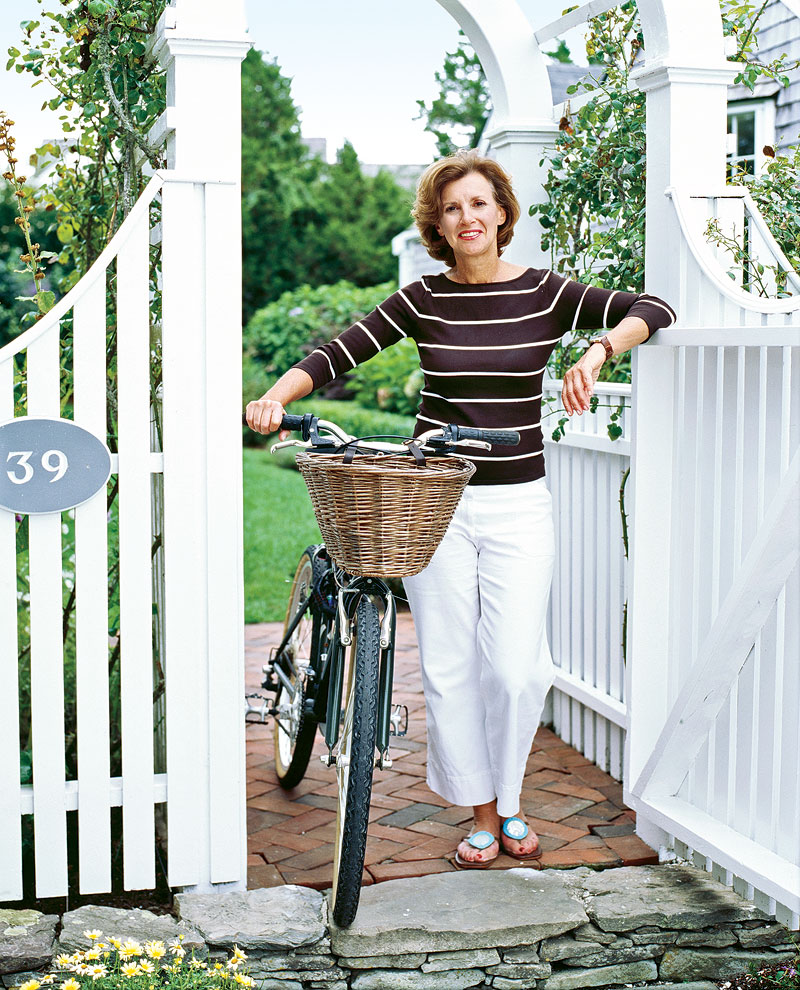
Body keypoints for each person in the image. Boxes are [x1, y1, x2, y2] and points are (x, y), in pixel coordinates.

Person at [246, 149, 676, 868]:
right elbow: (337, 352)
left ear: (502, 212)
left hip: (518, 504)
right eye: (451, 209)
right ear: (437, 227)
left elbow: (653, 309)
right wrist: (274, 398)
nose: (466, 218)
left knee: (514, 668)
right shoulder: (425, 297)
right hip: (432, 503)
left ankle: (507, 796)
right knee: (448, 663)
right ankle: (487, 812)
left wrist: (598, 351)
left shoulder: (543, 293)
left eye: (479, 204)